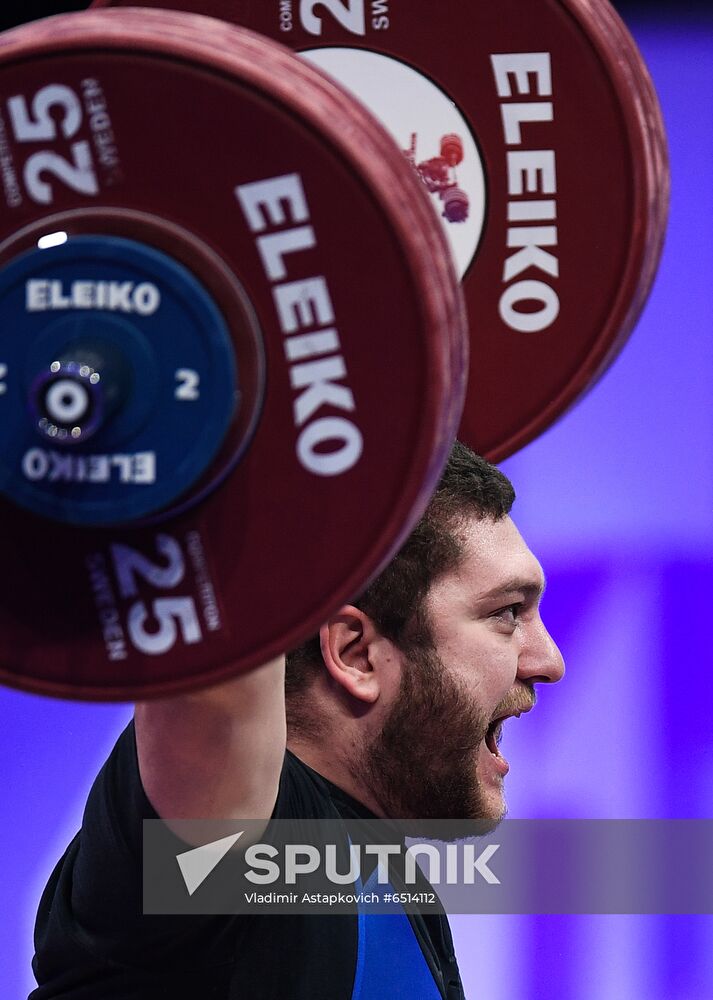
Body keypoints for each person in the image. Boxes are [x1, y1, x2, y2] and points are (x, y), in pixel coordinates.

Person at [29, 441, 564, 999]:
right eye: (507, 613)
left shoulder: (375, 875)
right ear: (356, 653)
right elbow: (219, 680)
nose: (548, 661)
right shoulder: (239, 835)